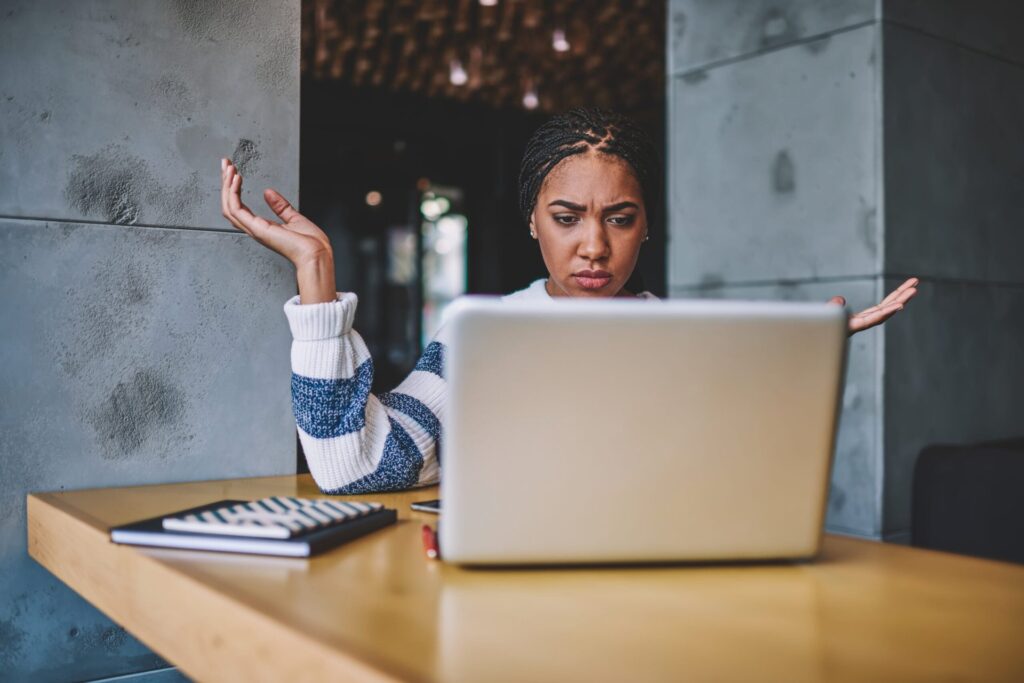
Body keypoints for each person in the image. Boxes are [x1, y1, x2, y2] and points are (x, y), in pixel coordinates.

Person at [219, 107, 918, 494]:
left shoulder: (692, 342)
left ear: (647, 228)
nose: (594, 246)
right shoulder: (481, 337)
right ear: (531, 221)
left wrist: (801, 358)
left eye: (619, 218)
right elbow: (356, 466)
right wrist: (316, 273)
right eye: (566, 217)